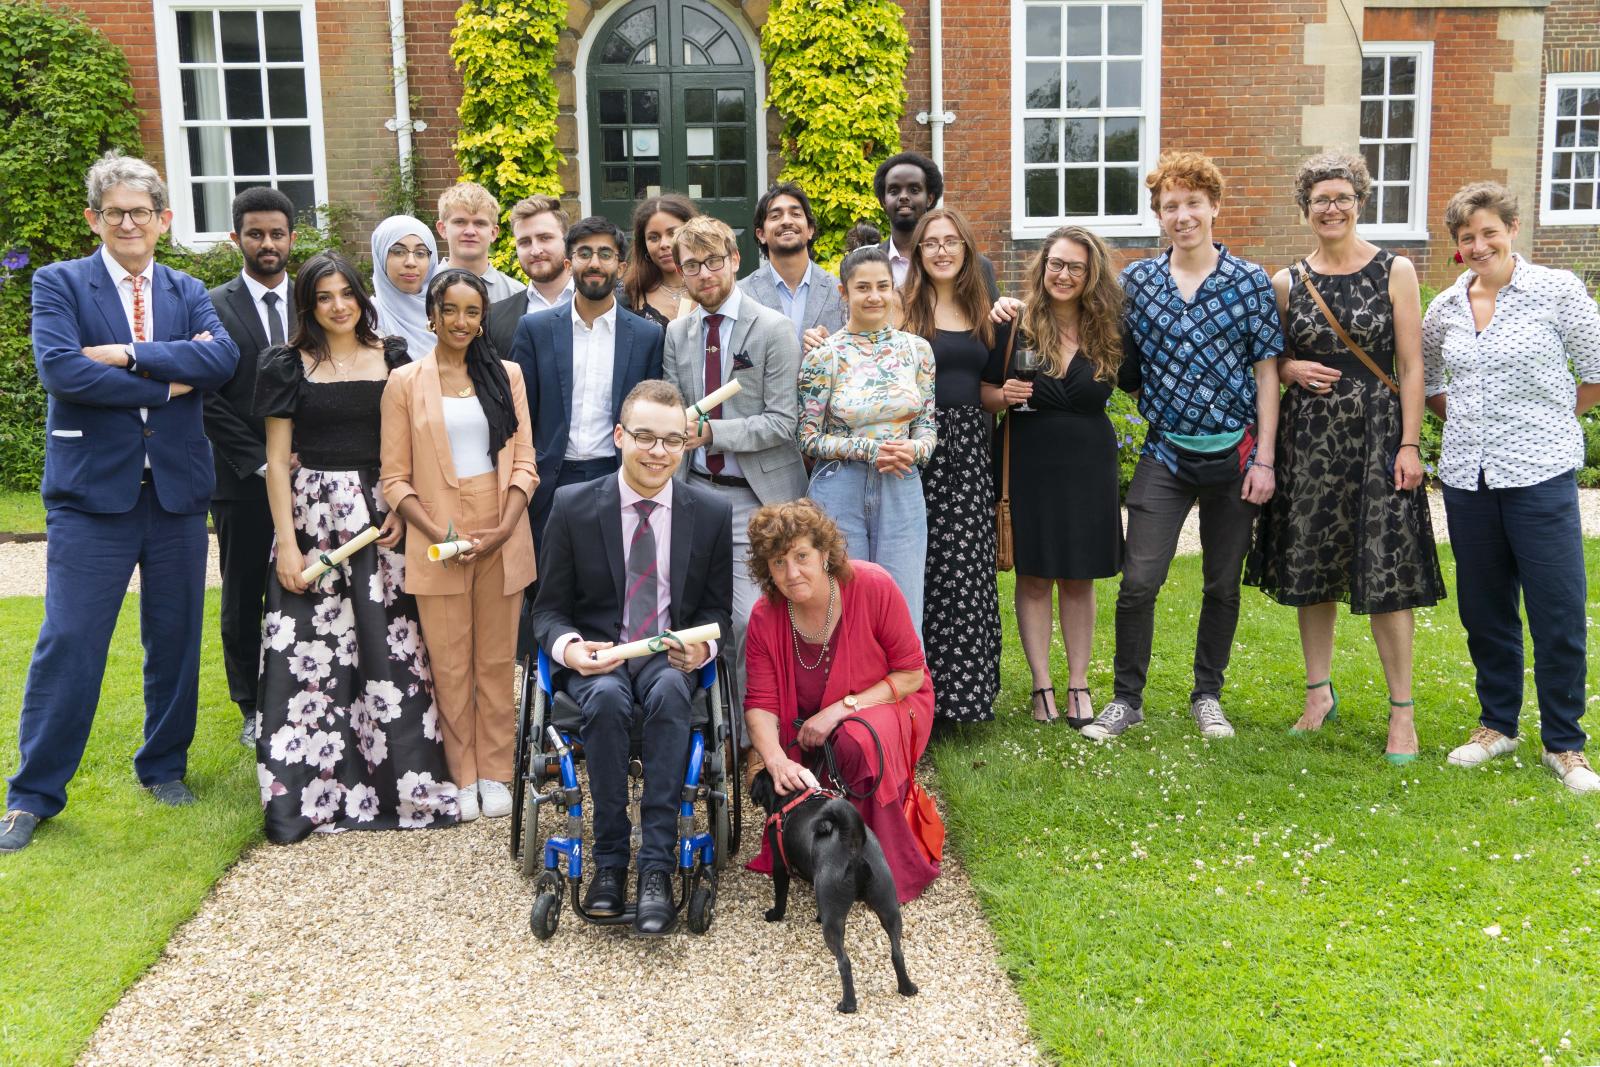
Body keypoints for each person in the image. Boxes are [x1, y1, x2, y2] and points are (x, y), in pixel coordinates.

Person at [0, 152, 239, 854]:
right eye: (115, 212)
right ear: (94, 219)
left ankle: (163, 766)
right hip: (89, 497)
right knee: (70, 639)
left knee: (174, 637)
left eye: (141, 212)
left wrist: (129, 355)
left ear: (164, 221)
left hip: (174, 492)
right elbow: (62, 370)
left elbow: (220, 361)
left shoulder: (189, 289)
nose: (129, 222)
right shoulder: (59, 283)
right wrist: (168, 378)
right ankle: (32, 794)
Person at [251, 252, 458, 843]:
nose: (338, 305)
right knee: (311, 654)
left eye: (347, 293)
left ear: (361, 297)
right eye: (324, 296)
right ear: (308, 306)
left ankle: (403, 789)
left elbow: (413, 443)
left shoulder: (394, 357)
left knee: (388, 649)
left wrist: (398, 506)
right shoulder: (286, 365)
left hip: (381, 519)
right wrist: (288, 549)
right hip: (314, 517)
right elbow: (274, 462)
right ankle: (310, 797)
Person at [1244, 153, 1444, 764]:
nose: (1331, 208)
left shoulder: (1395, 269)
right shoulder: (1287, 281)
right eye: (1320, 200)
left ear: (1359, 201)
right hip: (1310, 442)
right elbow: (1266, 363)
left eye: (1342, 197)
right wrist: (1289, 365)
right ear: (1304, 209)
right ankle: (1317, 694)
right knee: (1313, 571)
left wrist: (1411, 444)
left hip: (1379, 436)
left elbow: (1412, 366)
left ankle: (1402, 712)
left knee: (1386, 574)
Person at [1081, 151, 1282, 743]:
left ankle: (1207, 695)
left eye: (1193, 202)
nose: (1183, 215)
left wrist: (1265, 457)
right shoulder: (1139, 282)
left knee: (1221, 582)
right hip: (1166, 454)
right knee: (1140, 580)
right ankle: (1126, 699)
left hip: (1236, 457)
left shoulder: (1248, 281)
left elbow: (1267, 371)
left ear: (1214, 207)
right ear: (1159, 216)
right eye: (1171, 206)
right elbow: (1115, 353)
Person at [530, 379, 733, 936]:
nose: (656, 452)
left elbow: (719, 611)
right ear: (619, 436)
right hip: (601, 656)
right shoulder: (573, 506)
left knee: (670, 693)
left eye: (671, 440)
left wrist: (704, 645)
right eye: (644, 437)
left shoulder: (710, 512)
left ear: (685, 445)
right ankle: (610, 861)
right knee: (607, 700)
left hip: (667, 657)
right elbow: (546, 612)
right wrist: (570, 648)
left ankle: (656, 870)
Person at [1423, 181, 1600, 794]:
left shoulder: (1557, 291)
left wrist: (1552, 419)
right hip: (1468, 481)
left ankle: (1565, 743)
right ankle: (1497, 725)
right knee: (1485, 610)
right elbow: (1429, 382)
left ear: (1512, 230)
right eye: (1466, 237)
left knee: (1557, 610)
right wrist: (1472, 425)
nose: (1478, 245)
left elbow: (1596, 372)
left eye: (1488, 232)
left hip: (1541, 475)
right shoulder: (1444, 308)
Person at [382, 269, 538, 821]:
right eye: (450, 309)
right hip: (436, 532)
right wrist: (433, 530)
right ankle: (463, 773)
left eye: (473, 311)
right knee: (449, 663)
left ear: (484, 317)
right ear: (432, 312)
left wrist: (503, 528)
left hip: (501, 526)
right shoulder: (405, 381)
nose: (461, 322)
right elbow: (394, 478)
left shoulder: (507, 376)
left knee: (496, 662)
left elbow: (524, 462)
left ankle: (496, 771)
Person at [743, 499, 942, 903]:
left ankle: (882, 864)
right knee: (781, 775)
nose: (791, 572)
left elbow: (910, 674)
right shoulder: (765, 617)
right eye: (778, 563)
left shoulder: (872, 585)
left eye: (801, 556)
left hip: (886, 703)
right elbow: (760, 702)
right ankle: (821, 852)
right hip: (807, 728)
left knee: (854, 740)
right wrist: (775, 758)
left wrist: (842, 709)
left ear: (825, 554)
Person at [663, 214, 807, 728]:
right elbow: (674, 405)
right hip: (695, 493)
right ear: (680, 272)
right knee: (689, 616)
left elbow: (783, 423)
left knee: (747, 619)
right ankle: (703, 723)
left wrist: (713, 433)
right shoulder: (678, 334)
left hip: (756, 497)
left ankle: (752, 735)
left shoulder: (772, 328)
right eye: (692, 266)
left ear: (736, 260)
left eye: (714, 262)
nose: (705, 274)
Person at [986, 226, 1125, 729]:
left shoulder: (1109, 329)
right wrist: (1002, 396)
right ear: (1041, 267)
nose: (1064, 275)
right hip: (1029, 458)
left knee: (1079, 576)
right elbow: (984, 390)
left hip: (1089, 464)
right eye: (1056, 264)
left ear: (1092, 275)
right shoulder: (1014, 323)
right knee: (1035, 574)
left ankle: (1079, 683)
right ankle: (1042, 684)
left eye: (1076, 267)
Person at [798, 246, 937, 638]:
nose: (874, 296)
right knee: (841, 603)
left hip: (902, 482)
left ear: (895, 290)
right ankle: (845, 697)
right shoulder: (824, 356)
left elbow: (927, 426)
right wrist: (869, 450)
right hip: (839, 485)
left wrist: (914, 450)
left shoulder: (918, 351)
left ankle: (905, 699)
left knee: (903, 604)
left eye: (882, 286)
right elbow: (806, 436)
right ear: (844, 293)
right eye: (863, 288)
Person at [900, 207, 1002, 725]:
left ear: (966, 250)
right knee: (920, 572)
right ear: (918, 253)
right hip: (914, 452)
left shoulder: (982, 307)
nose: (941, 250)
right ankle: (916, 700)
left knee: (966, 572)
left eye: (951, 241)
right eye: (930, 242)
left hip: (967, 453)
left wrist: (1001, 395)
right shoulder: (903, 309)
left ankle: (964, 698)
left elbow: (981, 386)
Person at [508, 216, 665, 555]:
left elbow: (650, 417)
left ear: (620, 267)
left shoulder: (647, 336)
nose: (595, 262)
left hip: (618, 476)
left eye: (605, 254)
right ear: (569, 263)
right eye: (584, 253)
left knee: (613, 582)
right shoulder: (534, 330)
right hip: (551, 481)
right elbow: (518, 416)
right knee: (549, 587)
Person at [206, 186, 297, 747]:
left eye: (277, 233)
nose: (268, 243)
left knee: (307, 584)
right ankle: (248, 704)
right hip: (241, 480)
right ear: (236, 237)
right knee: (243, 592)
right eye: (256, 233)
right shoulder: (210, 305)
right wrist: (263, 463)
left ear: (292, 237)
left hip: (312, 475)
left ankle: (305, 690)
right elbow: (206, 397)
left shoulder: (314, 299)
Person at [872, 151, 999, 300]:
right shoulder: (868, 263)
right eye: (894, 191)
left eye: (914, 190)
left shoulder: (977, 266)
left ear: (930, 199)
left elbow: (991, 320)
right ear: (883, 201)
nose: (904, 197)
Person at [738, 182, 845, 343]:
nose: (786, 221)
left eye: (795, 214)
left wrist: (831, 350)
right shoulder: (742, 294)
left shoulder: (839, 292)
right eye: (775, 216)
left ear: (810, 230)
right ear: (761, 234)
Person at [487, 195, 573, 357]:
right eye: (525, 242)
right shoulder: (495, 318)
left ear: (567, 241)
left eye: (545, 238)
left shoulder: (607, 305)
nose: (535, 250)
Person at [435, 181, 521, 303]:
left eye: (480, 223)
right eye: (460, 222)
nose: (470, 231)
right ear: (442, 229)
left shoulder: (516, 295)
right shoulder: (421, 290)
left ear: (493, 233)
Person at [620, 193, 696, 328]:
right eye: (654, 238)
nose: (664, 244)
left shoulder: (711, 287)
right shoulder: (630, 295)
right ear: (644, 245)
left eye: (673, 233)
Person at [370, 215, 437, 357]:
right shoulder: (366, 318)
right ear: (380, 255)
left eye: (420, 253)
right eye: (398, 252)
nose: (411, 262)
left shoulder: (448, 312)